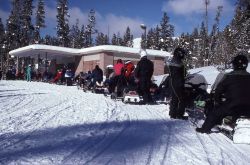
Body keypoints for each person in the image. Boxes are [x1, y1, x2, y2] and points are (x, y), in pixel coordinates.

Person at [196, 53, 250, 133]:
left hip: (232, 107)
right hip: (248, 108)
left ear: (234, 64)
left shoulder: (229, 77)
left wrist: (218, 102)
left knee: (214, 112)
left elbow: (218, 91)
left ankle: (205, 129)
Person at [167, 47, 187, 119]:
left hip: (173, 82)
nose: (183, 56)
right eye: (182, 54)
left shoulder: (173, 60)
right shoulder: (179, 62)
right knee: (182, 99)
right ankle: (179, 115)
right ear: (179, 54)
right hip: (178, 83)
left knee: (175, 98)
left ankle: (172, 114)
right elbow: (184, 74)